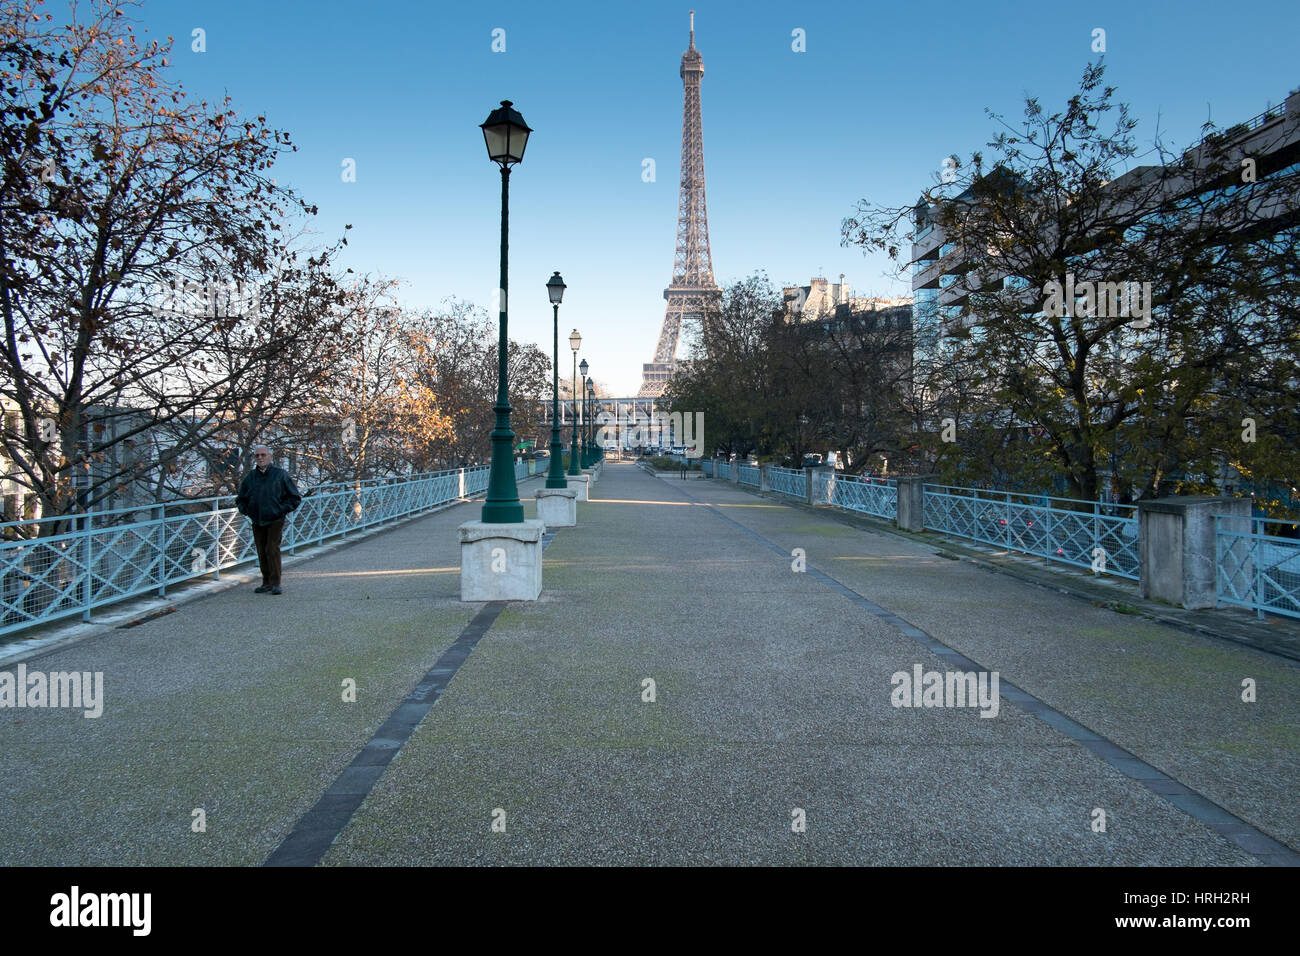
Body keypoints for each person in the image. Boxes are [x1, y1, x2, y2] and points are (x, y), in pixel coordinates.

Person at [236, 444, 301, 595]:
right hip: (257, 519)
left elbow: (294, 498)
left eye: (263, 455)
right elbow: (241, 498)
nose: (260, 458)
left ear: (270, 457)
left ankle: (276, 582)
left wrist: (280, 510)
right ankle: (266, 582)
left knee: (272, 549)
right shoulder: (251, 477)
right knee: (261, 551)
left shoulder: (280, 475)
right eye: (257, 455)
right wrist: (247, 510)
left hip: (275, 519)